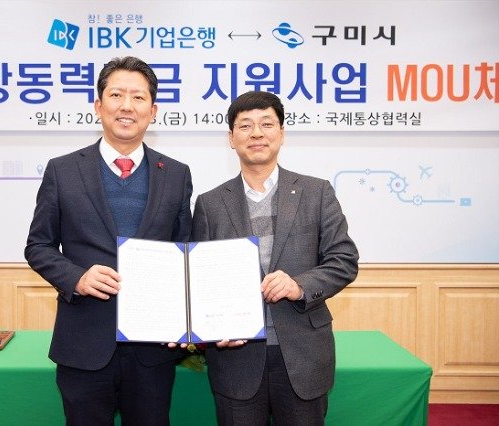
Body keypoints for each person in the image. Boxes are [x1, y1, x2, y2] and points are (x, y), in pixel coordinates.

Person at [25, 56, 193, 425]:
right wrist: (77, 278)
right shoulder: (62, 170)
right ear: (99, 106)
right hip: (83, 342)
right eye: (116, 95)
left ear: (153, 111)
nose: (127, 106)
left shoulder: (176, 174)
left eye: (138, 97)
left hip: (153, 348)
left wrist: (186, 319)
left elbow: (185, 255)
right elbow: (38, 246)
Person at [191, 91, 359, 425]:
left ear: (281, 133)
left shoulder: (316, 192)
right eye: (245, 126)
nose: (256, 133)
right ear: (231, 138)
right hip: (235, 356)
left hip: (302, 353)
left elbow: (344, 259)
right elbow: (198, 277)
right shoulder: (210, 203)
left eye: (267, 124)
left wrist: (299, 285)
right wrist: (209, 327)